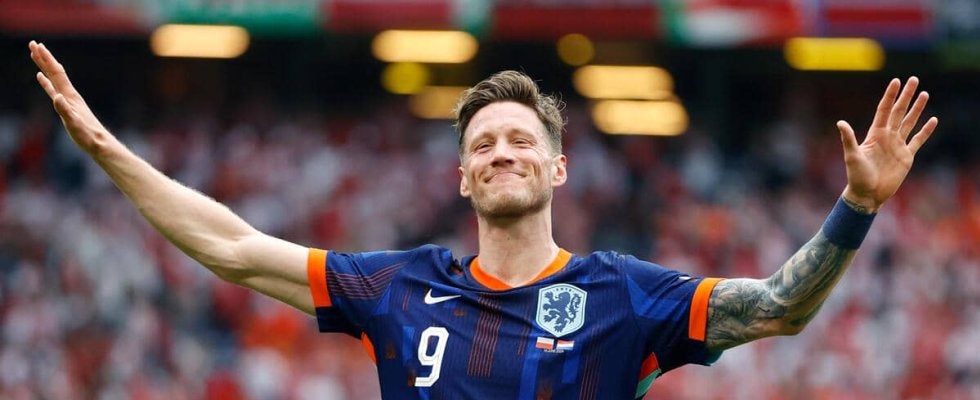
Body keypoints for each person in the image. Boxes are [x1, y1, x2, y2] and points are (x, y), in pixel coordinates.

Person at [29, 40, 938, 399]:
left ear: (557, 166)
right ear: (462, 177)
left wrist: (857, 206)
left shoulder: (623, 294)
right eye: (484, 145)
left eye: (520, 139)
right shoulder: (398, 288)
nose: (502, 152)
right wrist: (106, 148)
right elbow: (233, 246)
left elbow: (779, 307)